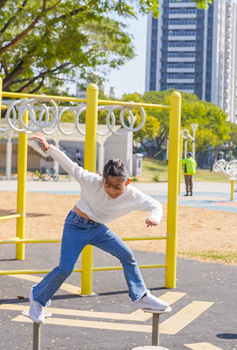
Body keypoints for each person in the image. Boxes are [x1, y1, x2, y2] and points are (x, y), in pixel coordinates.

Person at [27, 131, 170, 323]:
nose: (111, 190)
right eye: (107, 184)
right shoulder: (91, 181)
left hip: (98, 229)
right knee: (64, 269)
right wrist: (49, 148)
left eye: (117, 187)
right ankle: (37, 298)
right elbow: (71, 165)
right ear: (102, 178)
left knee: (127, 255)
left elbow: (156, 205)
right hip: (75, 226)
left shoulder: (133, 194)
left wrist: (155, 217)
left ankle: (141, 296)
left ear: (126, 182)